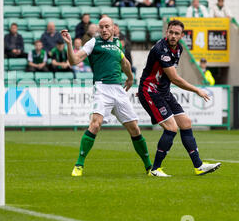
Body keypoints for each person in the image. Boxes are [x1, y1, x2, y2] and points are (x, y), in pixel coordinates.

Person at [61, 17, 153, 177]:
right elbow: (74, 60)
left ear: (113, 28)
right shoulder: (93, 43)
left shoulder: (117, 44)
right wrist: (69, 44)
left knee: (135, 128)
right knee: (95, 124)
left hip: (118, 90)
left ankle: (149, 168)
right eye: (101, 27)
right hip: (102, 88)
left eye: (107, 27)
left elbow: (125, 63)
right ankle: (79, 165)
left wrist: (130, 77)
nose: (103, 30)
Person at [137, 19, 221, 177]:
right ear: (166, 32)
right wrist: (197, 90)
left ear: (182, 35)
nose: (173, 36)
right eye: (171, 32)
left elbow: (165, 75)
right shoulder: (161, 49)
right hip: (151, 91)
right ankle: (155, 169)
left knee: (186, 123)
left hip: (163, 91)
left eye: (177, 33)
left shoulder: (179, 49)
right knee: (171, 128)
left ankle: (199, 166)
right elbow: (174, 78)